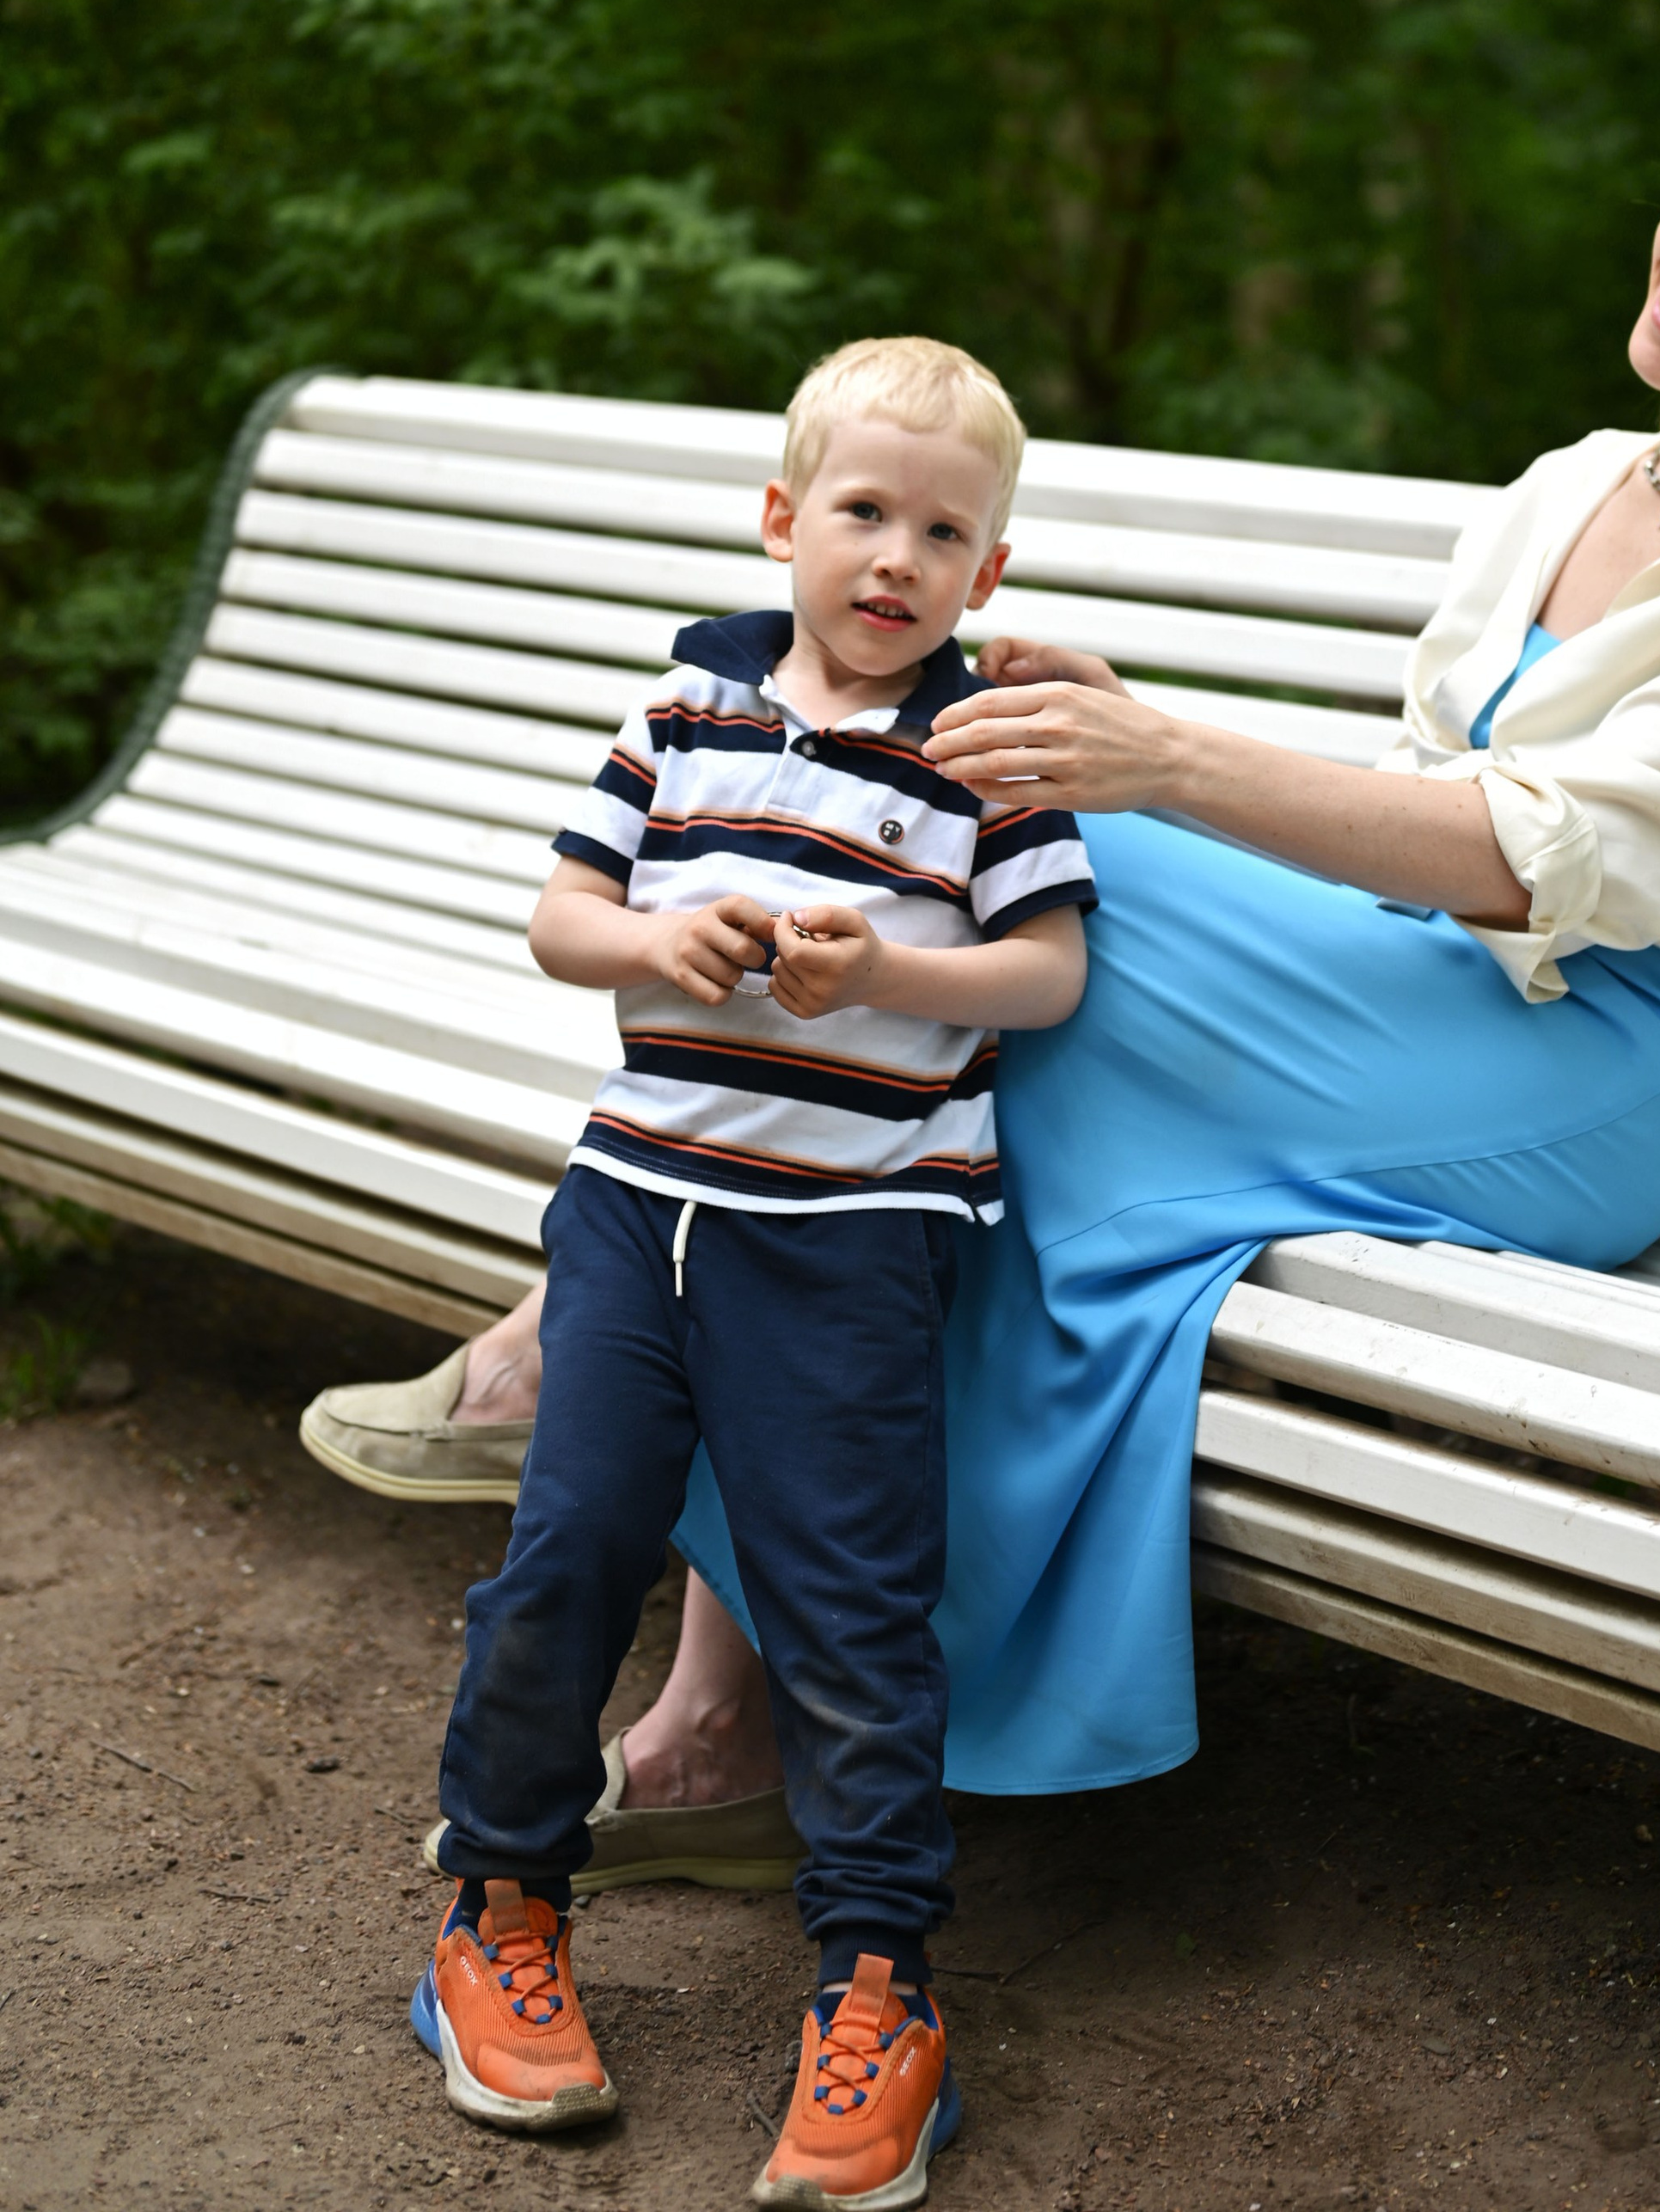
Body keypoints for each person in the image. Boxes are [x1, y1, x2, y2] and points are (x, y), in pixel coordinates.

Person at [309, 52, 1660, 1841]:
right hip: (1411, 985)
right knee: (979, 888)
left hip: (1592, 1065)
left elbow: (1535, 859)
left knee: (1030, 866)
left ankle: (595, 1341)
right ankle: (713, 1707)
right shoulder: (1586, 480)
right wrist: (1131, 742)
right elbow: (1415, 806)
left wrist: (1159, 760)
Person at [405, 335, 1095, 2203]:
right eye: (864, 512)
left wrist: (890, 973)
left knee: (852, 1605)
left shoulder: (981, 758)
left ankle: (879, 1984)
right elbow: (564, 917)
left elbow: (1045, 975)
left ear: (987, 571)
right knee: (569, 1550)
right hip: (636, 1209)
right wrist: (656, 935)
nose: (896, 557)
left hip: (855, 1239)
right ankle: (499, 1905)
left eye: (942, 533)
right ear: (785, 522)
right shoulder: (684, 715)